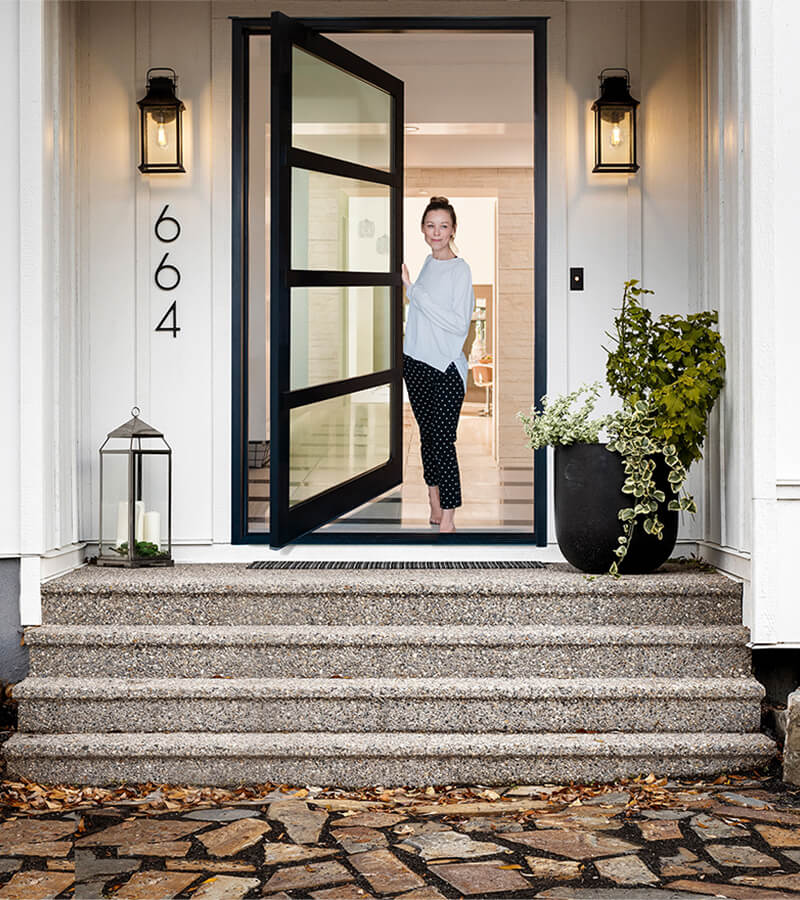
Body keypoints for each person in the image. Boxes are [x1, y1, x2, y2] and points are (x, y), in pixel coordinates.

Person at [401, 196, 475, 533]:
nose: (437, 232)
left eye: (443, 226)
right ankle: (433, 500)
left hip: (445, 368)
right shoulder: (427, 264)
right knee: (428, 438)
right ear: (422, 229)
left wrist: (413, 292)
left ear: (453, 230)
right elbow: (421, 319)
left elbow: (458, 324)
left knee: (444, 441)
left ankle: (448, 516)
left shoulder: (460, 270)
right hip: (416, 363)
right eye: (431, 225)